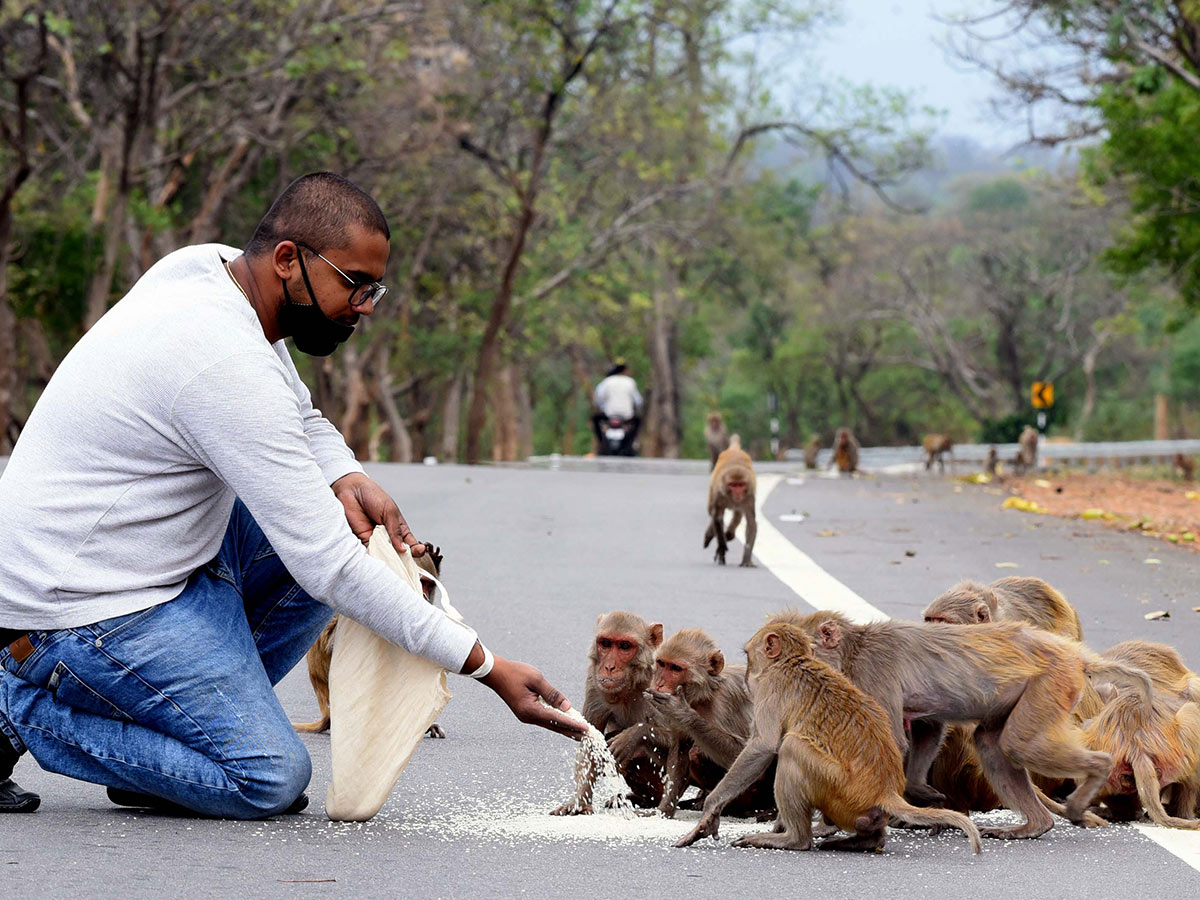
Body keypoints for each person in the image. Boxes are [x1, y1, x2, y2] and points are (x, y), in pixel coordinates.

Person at [0, 172, 585, 817]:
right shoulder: (220, 362)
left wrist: (346, 474)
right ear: (288, 261)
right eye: (355, 284)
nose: (365, 305)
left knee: (338, 520)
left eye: (374, 289)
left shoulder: (210, 271)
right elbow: (329, 564)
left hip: (147, 557)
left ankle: (169, 755)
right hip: (80, 608)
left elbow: (299, 415)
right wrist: (486, 665)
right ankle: (15, 701)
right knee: (267, 779)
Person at [591, 362, 643, 455]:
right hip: (627, 415)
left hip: (609, 414)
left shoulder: (607, 381)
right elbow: (638, 400)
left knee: (595, 419)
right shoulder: (630, 381)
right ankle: (630, 443)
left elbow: (598, 397)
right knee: (638, 421)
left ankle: (601, 442)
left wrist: (602, 406)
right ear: (624, 371)